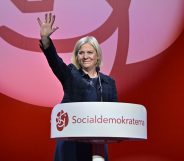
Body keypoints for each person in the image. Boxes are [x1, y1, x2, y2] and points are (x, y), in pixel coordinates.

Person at [37, 13, 118, 161]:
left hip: (97, 145)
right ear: (77, 56)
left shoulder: (109, 83)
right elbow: (55, 61)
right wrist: (45, 40)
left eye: (89, 52)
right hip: (70, 142)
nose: (85, 56)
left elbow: (114, 115)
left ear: (97, 56)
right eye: (81, 53)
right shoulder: (70, 75)